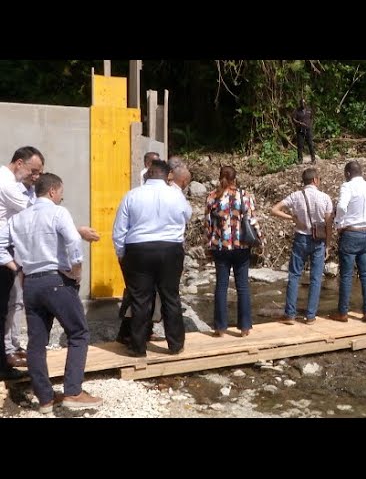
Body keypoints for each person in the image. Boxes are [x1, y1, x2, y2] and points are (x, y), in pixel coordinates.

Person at [0, 173, 103, 412]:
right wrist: (76, 269)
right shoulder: (58, 212)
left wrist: (18, 268)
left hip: (31, 284)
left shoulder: (18, 219)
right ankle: (73, 392)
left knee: (37, 342)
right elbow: (72, 242)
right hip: (56, 280)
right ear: (53, 191)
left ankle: (45, 399)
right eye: (61, 193)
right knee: (78, 333)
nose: (62, 197)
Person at [113, 160, 192, 357]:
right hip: (170, 248)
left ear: (148, 174)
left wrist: (122, 254)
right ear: (168, 176)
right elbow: (187, 216)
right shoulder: (176, 195)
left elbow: (119, 230)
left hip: (138, 249)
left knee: (141, 298)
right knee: (170, 296)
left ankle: (138, 347)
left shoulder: (132, 195)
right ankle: (175, 344)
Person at [0, 146, 44, 380]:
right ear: (19, 163)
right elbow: (36, 214)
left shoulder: (16, 183)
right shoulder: (6, 184)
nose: (36, 177)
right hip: (2, 252)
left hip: (7, 250)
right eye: (33, 171)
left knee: (10, 305)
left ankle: (6, 355)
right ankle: (3, 363)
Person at [206, 166, 262, 336]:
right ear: (235, 178)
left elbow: (208, 225)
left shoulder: (212, 197)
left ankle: (220, 328)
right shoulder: (245, 196)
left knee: (221, 286)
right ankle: (245, 327)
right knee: (243, 286)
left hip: (220, 246)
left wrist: (208, 245)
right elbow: (252, 220)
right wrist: (260, 241)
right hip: (241, 245)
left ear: (220, 177)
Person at [271, 168, 332, 324]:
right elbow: (328, 223)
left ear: (304, 181)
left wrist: (292, 218)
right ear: (315, 180)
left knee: (294, 275)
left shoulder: (296, 196)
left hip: (301, 238)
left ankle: (290, 314)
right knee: (316, 278)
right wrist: (328, 244)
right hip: (318, 240)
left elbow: (274, 210)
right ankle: (311, 316)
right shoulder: (325, 198)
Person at [328, 161, 366, 323]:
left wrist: (338, 224)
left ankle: (343, 312)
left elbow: (342, 206)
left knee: (346, 275)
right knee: (365, 274)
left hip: (351, 233)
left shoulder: (347, 187)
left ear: (348, 173)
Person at [292, 99, 316, 164]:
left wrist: (310, 124)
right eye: (301, 103)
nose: (303, 104)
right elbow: (293, 119)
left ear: (306, 103)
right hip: (300, 130)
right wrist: (299, 123)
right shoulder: (297, 111)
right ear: (300, 104)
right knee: (300, 145)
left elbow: (312, 117)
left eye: (304, 103)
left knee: (310, 144)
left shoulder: (309, 110)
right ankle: (300, 160)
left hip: (308, 129)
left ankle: (313, 159)